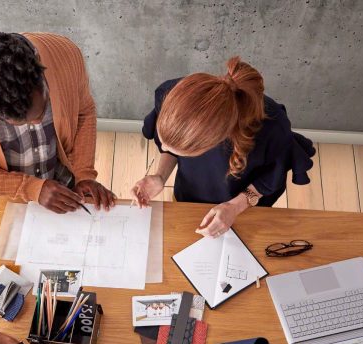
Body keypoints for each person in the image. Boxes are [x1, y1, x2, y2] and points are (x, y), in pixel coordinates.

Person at [0, 29, 116, 213]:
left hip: (63, 186)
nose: (38, 122)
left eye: (42, 109)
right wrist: (31, 188)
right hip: (3, 199)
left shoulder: (65, 54)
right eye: (20, 122)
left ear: (40, 67)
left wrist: (83, 173)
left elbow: (83, 111)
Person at [132, 57, 316, 238]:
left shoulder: (272, 128)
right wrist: (160, 176)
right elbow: (170, 146)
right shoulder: (173, 94)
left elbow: (268, 180)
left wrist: (234, 207)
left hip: (245, 204)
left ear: (214, 141)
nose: (163, 147)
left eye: (184, 150)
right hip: (189, 190)